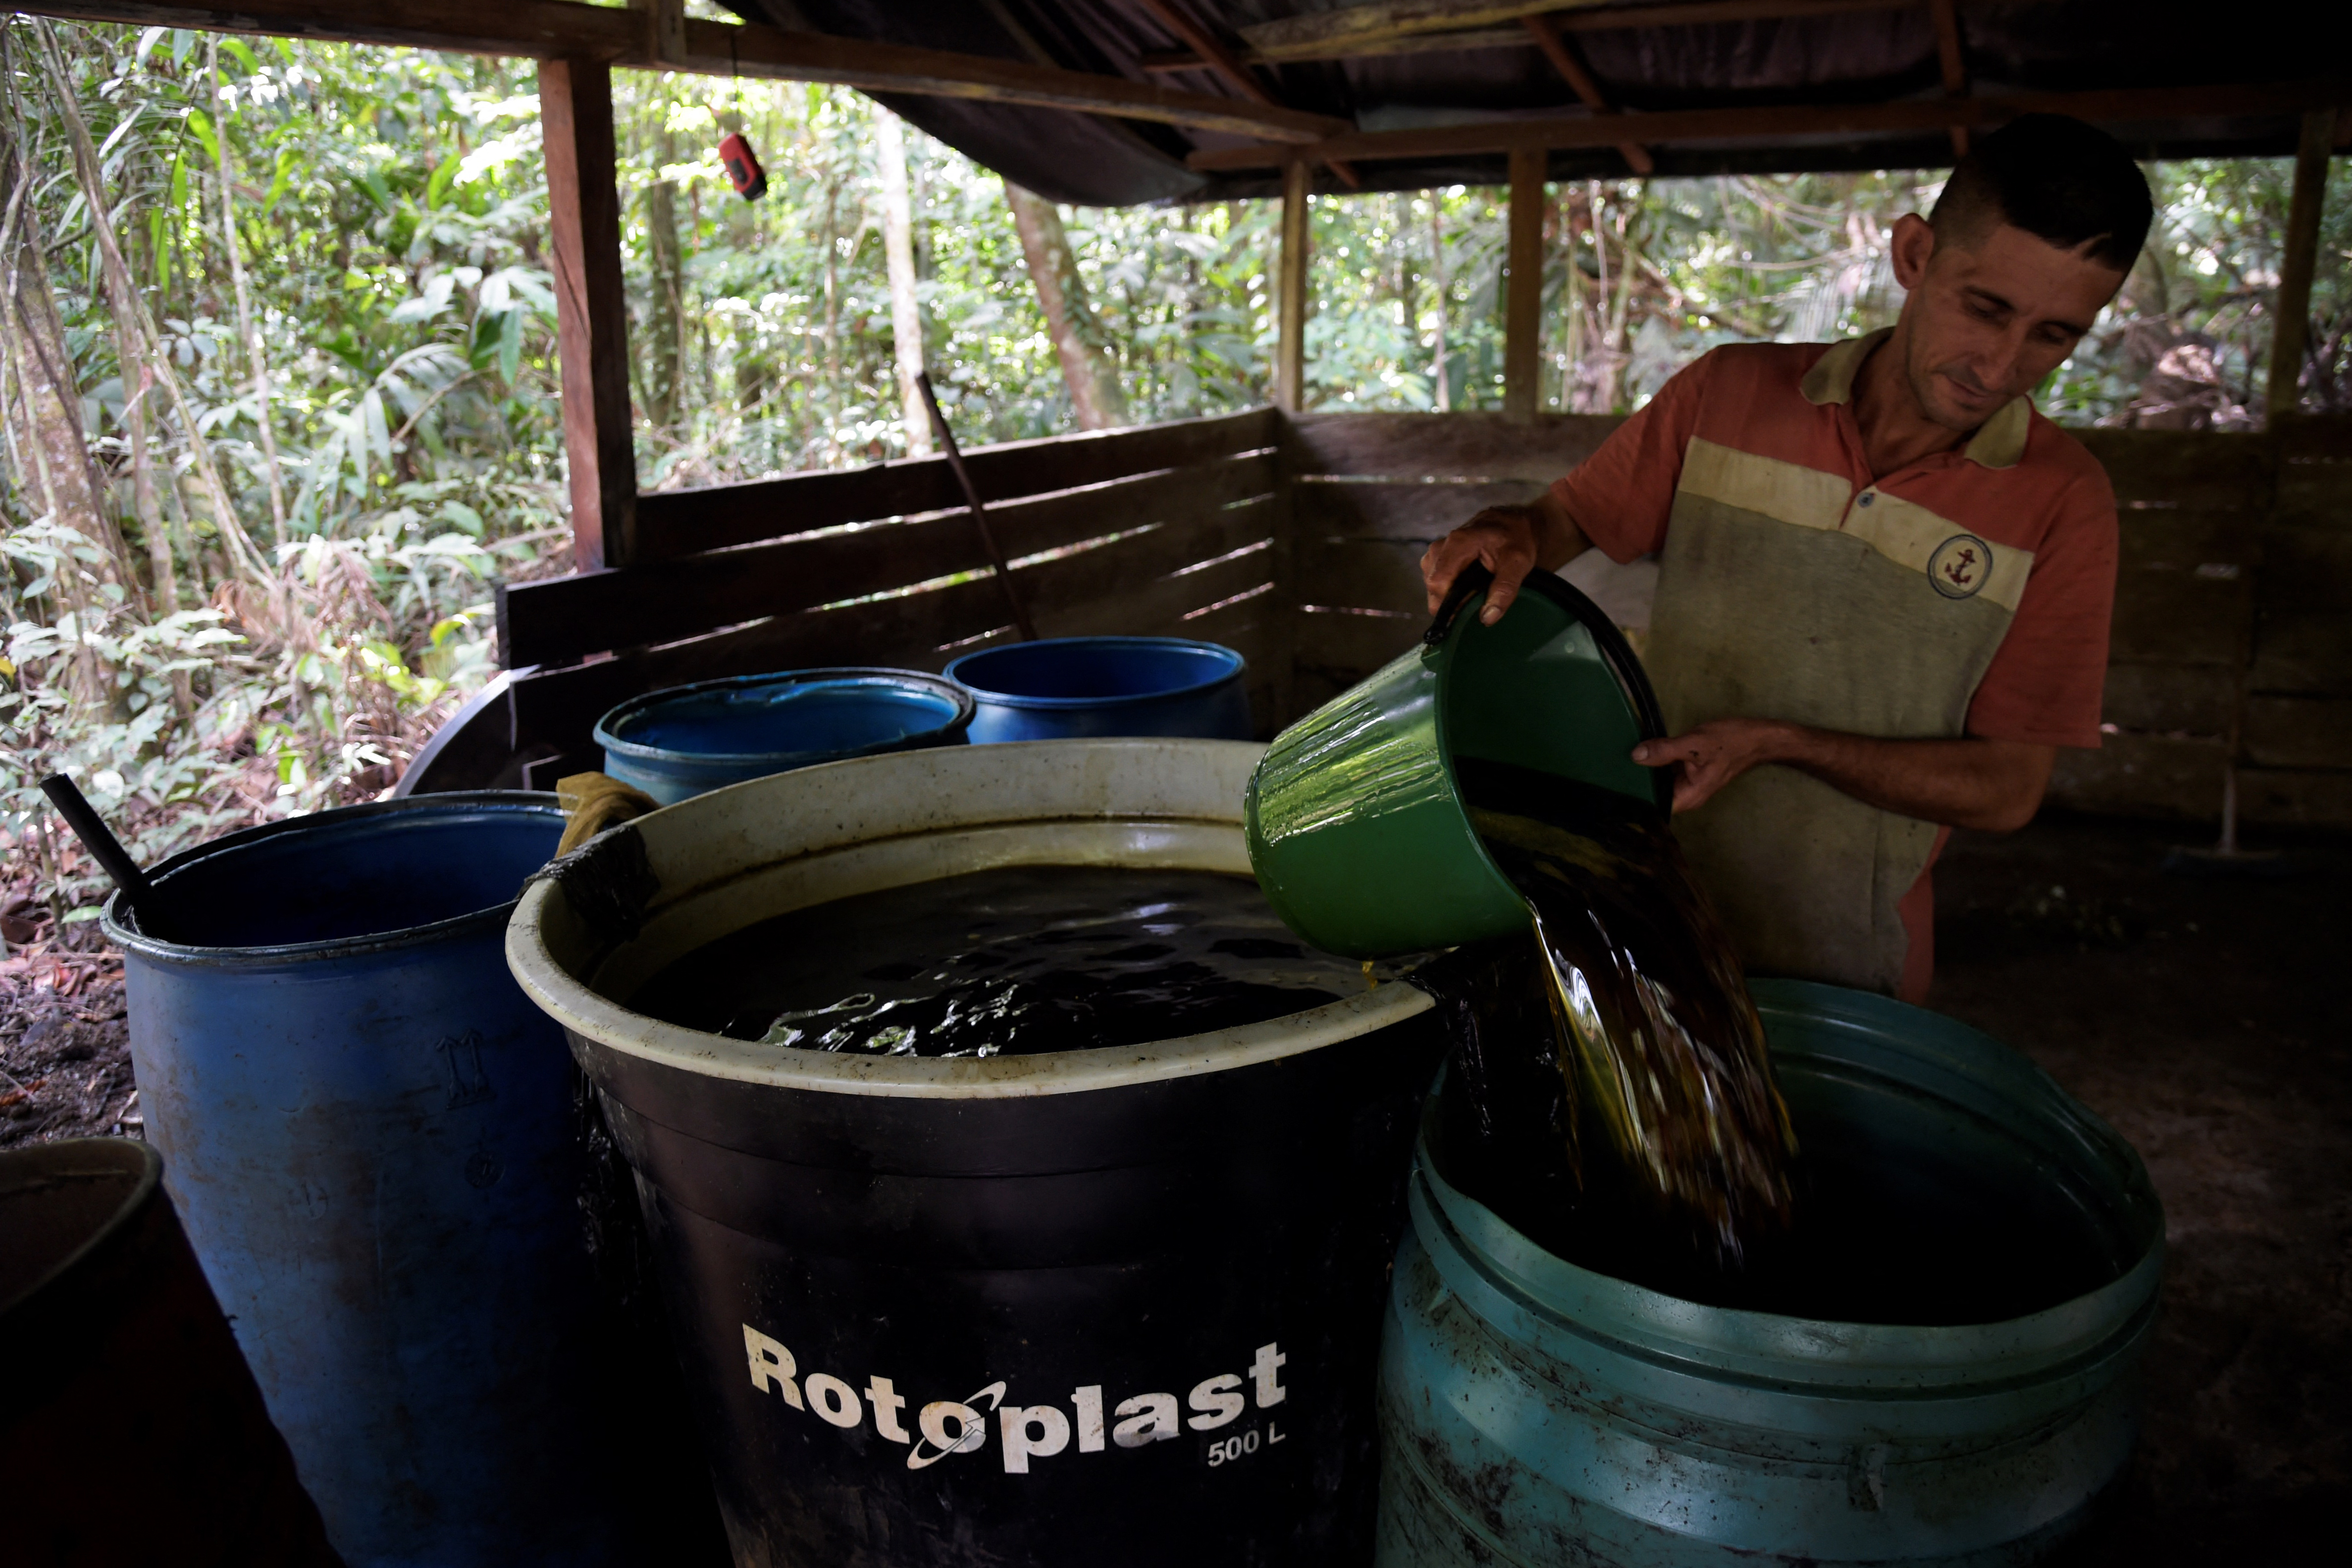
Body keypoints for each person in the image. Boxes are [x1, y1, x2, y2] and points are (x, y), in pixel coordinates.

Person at [1419, 115, 2152, 1003]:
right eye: (1985, 308)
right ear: (1913, 253)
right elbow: (1562, 517)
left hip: (1849, 957)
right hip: (1639, 906)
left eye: (2052, 335)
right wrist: (1511, 532)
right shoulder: (1726, 392)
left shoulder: (2061, 501)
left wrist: (1780, 743)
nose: (1999, 366)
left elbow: (2004, 789)